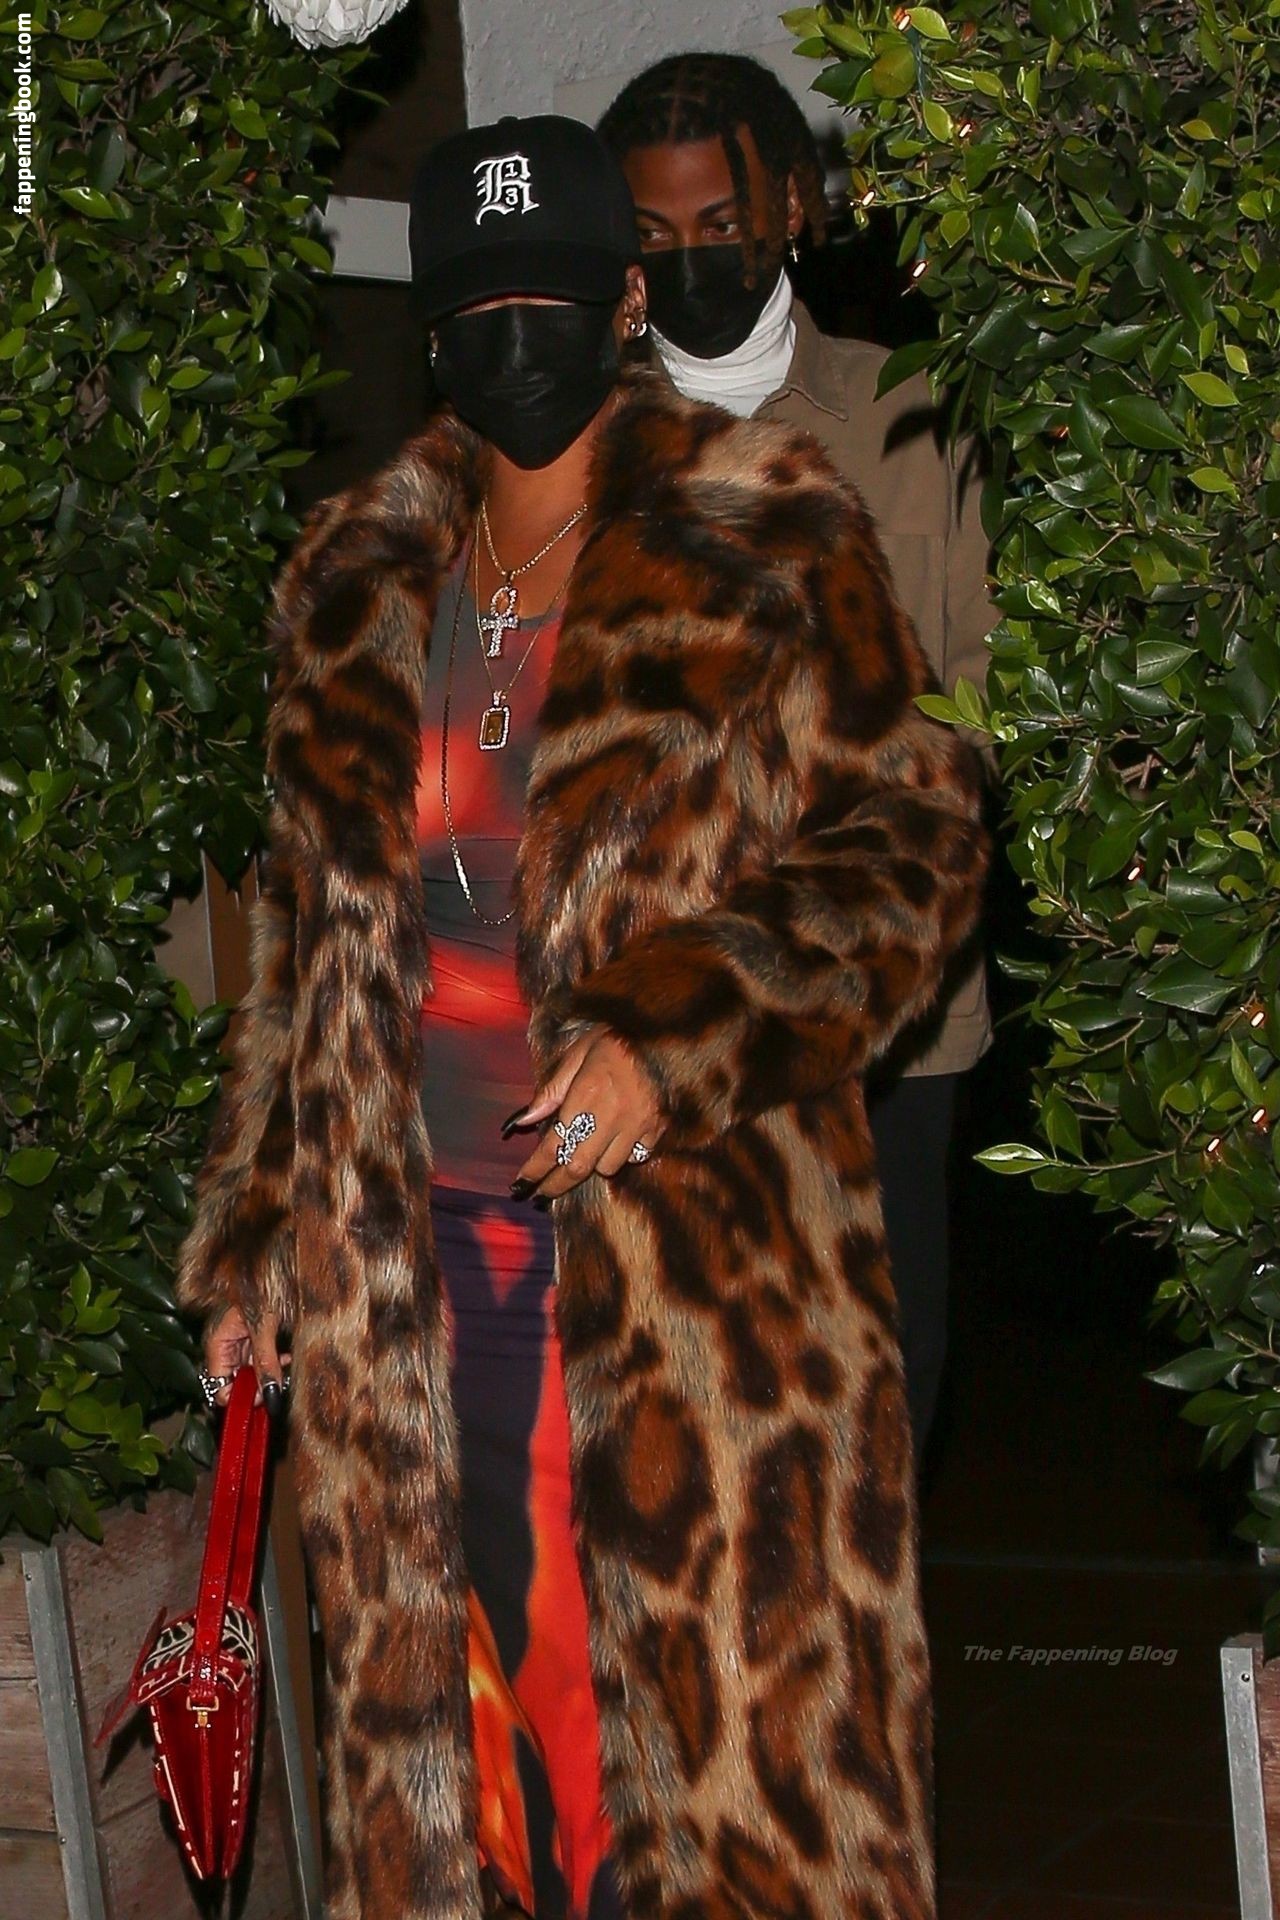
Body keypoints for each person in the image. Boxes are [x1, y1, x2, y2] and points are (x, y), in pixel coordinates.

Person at [178, 112, 987, 1920]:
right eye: (477, 305)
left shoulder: (763, 533)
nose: (515, 336)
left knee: (696, 1775)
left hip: (688, 1268)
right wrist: (260, 1227)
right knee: (467, 1755)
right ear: (433, 331)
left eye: (552, 293)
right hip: (410, 1276)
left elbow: (914, 842)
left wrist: (677, 1027)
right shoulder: (353, 586)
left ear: (625, 299)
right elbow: (311, 955)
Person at [599, 53, 994, 1459]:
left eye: (721, 224)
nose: (693, 261)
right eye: (653, 234)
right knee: (689, 1407)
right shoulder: (579, 439)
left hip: (888, 1011)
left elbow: (983, 702)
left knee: (883, 1394)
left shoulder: (913, 414)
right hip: (663, 1010)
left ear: (793, 211)